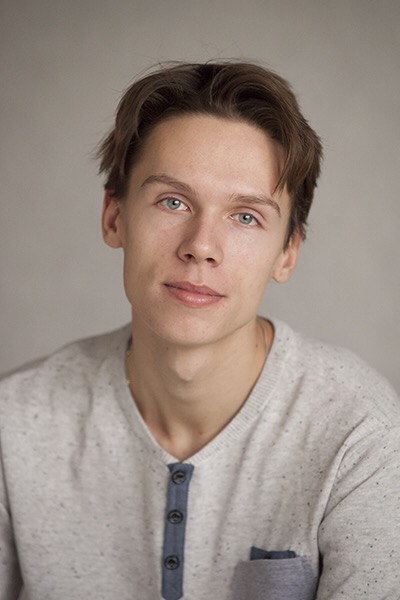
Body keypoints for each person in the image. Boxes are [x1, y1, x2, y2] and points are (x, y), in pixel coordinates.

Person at [0, 62, 399, 600]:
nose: (201, 246)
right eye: (173, 201)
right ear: (114, 217)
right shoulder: (15, 426)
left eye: (246, 216)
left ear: (287, 252)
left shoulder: (363, 437)